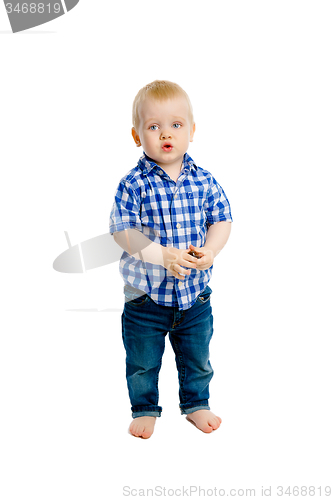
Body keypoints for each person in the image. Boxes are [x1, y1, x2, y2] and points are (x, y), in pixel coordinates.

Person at [109, 80, 232, 438]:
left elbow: (222, 220)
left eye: (176, 125)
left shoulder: (205, 182)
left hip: (195, 295)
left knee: (197, 358)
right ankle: (145, 407)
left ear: (192, 131)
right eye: (153, 126)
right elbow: (122, 232)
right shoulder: (134, 184)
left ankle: (196, 403)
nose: (166, 133)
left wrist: (211, 250)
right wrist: (161, 256)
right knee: (142, 362)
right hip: (145, 297)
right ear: (137, 136)